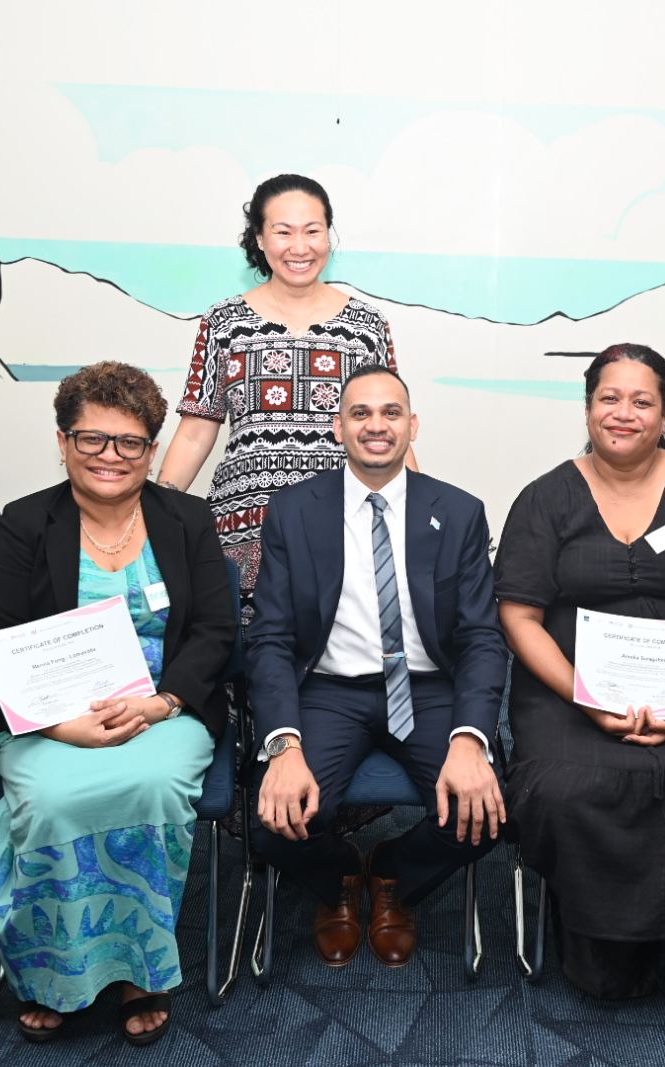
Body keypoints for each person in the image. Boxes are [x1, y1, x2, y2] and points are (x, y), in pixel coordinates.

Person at [495, 343, 665, 1031]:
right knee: (568, 787)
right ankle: (610, 955)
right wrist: (586, 695)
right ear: (588, 406)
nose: (624, 413)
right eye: (609, 398)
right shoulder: (545, 497)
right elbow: (520, 617)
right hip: (571, 685)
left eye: (641, 401)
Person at [0, 362, 234, 1046]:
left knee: (153, 787)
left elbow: (216, 629)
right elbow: (0, 635)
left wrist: (160, 703)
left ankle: (139, 971)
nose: (110, 456)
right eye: (91, 438)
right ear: (63, 442)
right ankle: (53, 974)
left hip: (163, 709)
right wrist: (62, 725)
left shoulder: (186, 518)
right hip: (48, 714)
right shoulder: (26, 522)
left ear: (151, 450)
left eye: (129, 442)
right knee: (50, 799)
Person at [246, 365, 505, 968]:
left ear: (413, 425)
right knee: (269, 819)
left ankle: (391, 874)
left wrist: (471, 739)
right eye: (360, 413)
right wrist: (283, 745)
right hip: (329, 690)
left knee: (486, 812)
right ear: (338, 428)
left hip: (427, 686)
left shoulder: (459, 511)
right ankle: (340, 876)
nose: (376, 425)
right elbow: (271, 637)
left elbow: (481, 637)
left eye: (391, 412)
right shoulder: (294, 511)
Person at [158, 173, 403, 625]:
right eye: (283, 232)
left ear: (329, 236)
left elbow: (389, 430)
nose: (300, 247)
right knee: (246, 655)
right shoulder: (222, 322)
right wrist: (154, 513)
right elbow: (195, 432)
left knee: (341, 653)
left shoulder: (367, 326)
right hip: (242, 529)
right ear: (259, 238)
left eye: (312, 231)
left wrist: (419, 513)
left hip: (343, 528)